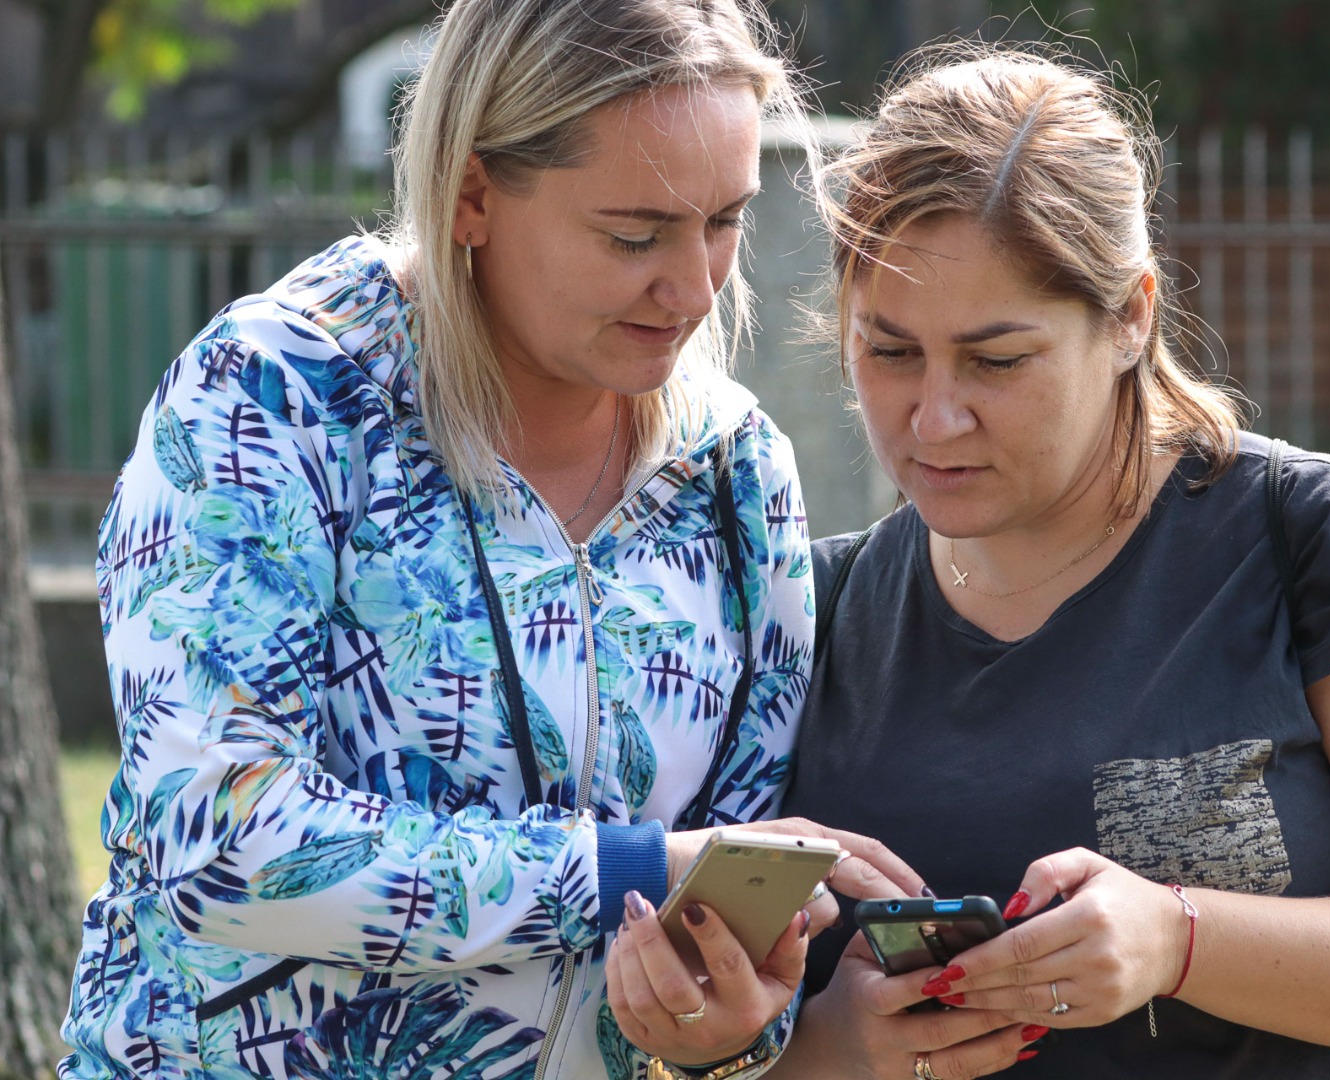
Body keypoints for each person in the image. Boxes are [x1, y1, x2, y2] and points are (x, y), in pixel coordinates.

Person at [58, 2, 918, 1078]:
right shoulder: (273, 396)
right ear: (471, 194)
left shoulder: (740, 476)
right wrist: (619, 871)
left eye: (725, 222)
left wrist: (725, 1035)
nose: (695, 287)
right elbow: (220, 838)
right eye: (634, 235)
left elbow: (726, 945)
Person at [772, 46, 1330, 1079]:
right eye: (889, 351)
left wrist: (1178, 940)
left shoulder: (1309, 534)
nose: (934, 415)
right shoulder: (808, 609)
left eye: (998, 360)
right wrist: (832, 1050)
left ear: (1131, 315)